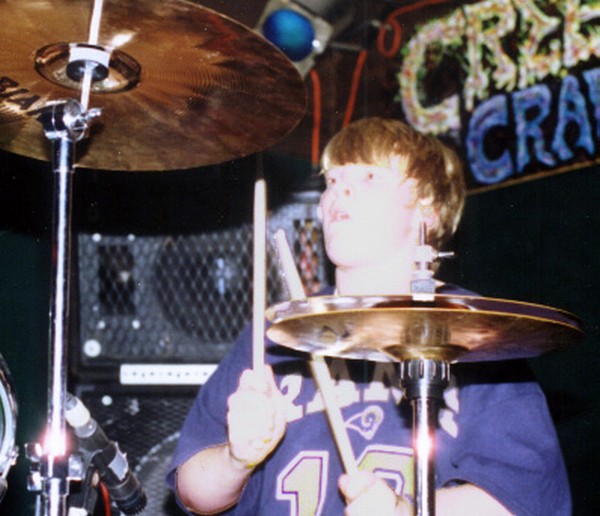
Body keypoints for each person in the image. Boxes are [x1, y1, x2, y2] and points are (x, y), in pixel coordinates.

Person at [166, 118, 570, 515]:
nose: (339, 189)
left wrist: (403, 512)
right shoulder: (277, 331)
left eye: (369, 177)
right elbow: (194, 493)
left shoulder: (477, 334)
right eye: (332, 179)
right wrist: (236, 459)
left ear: (426, 210)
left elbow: (518, 502)